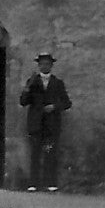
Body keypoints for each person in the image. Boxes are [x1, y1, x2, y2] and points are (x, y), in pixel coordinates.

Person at [18, 50, 72, 191]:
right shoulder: (32, 82)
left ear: (51, 66)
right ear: (39, 65)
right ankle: (33, 184)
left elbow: (67, 103)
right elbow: (23, 102)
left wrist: (54, 106)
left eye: (47, 64)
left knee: (50, 153)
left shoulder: (57, 83)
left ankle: (51, 184)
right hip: (36, 125)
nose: (44, 66)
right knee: (35, 154)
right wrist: (27, 88)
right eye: (42, 64)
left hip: (51, 125)